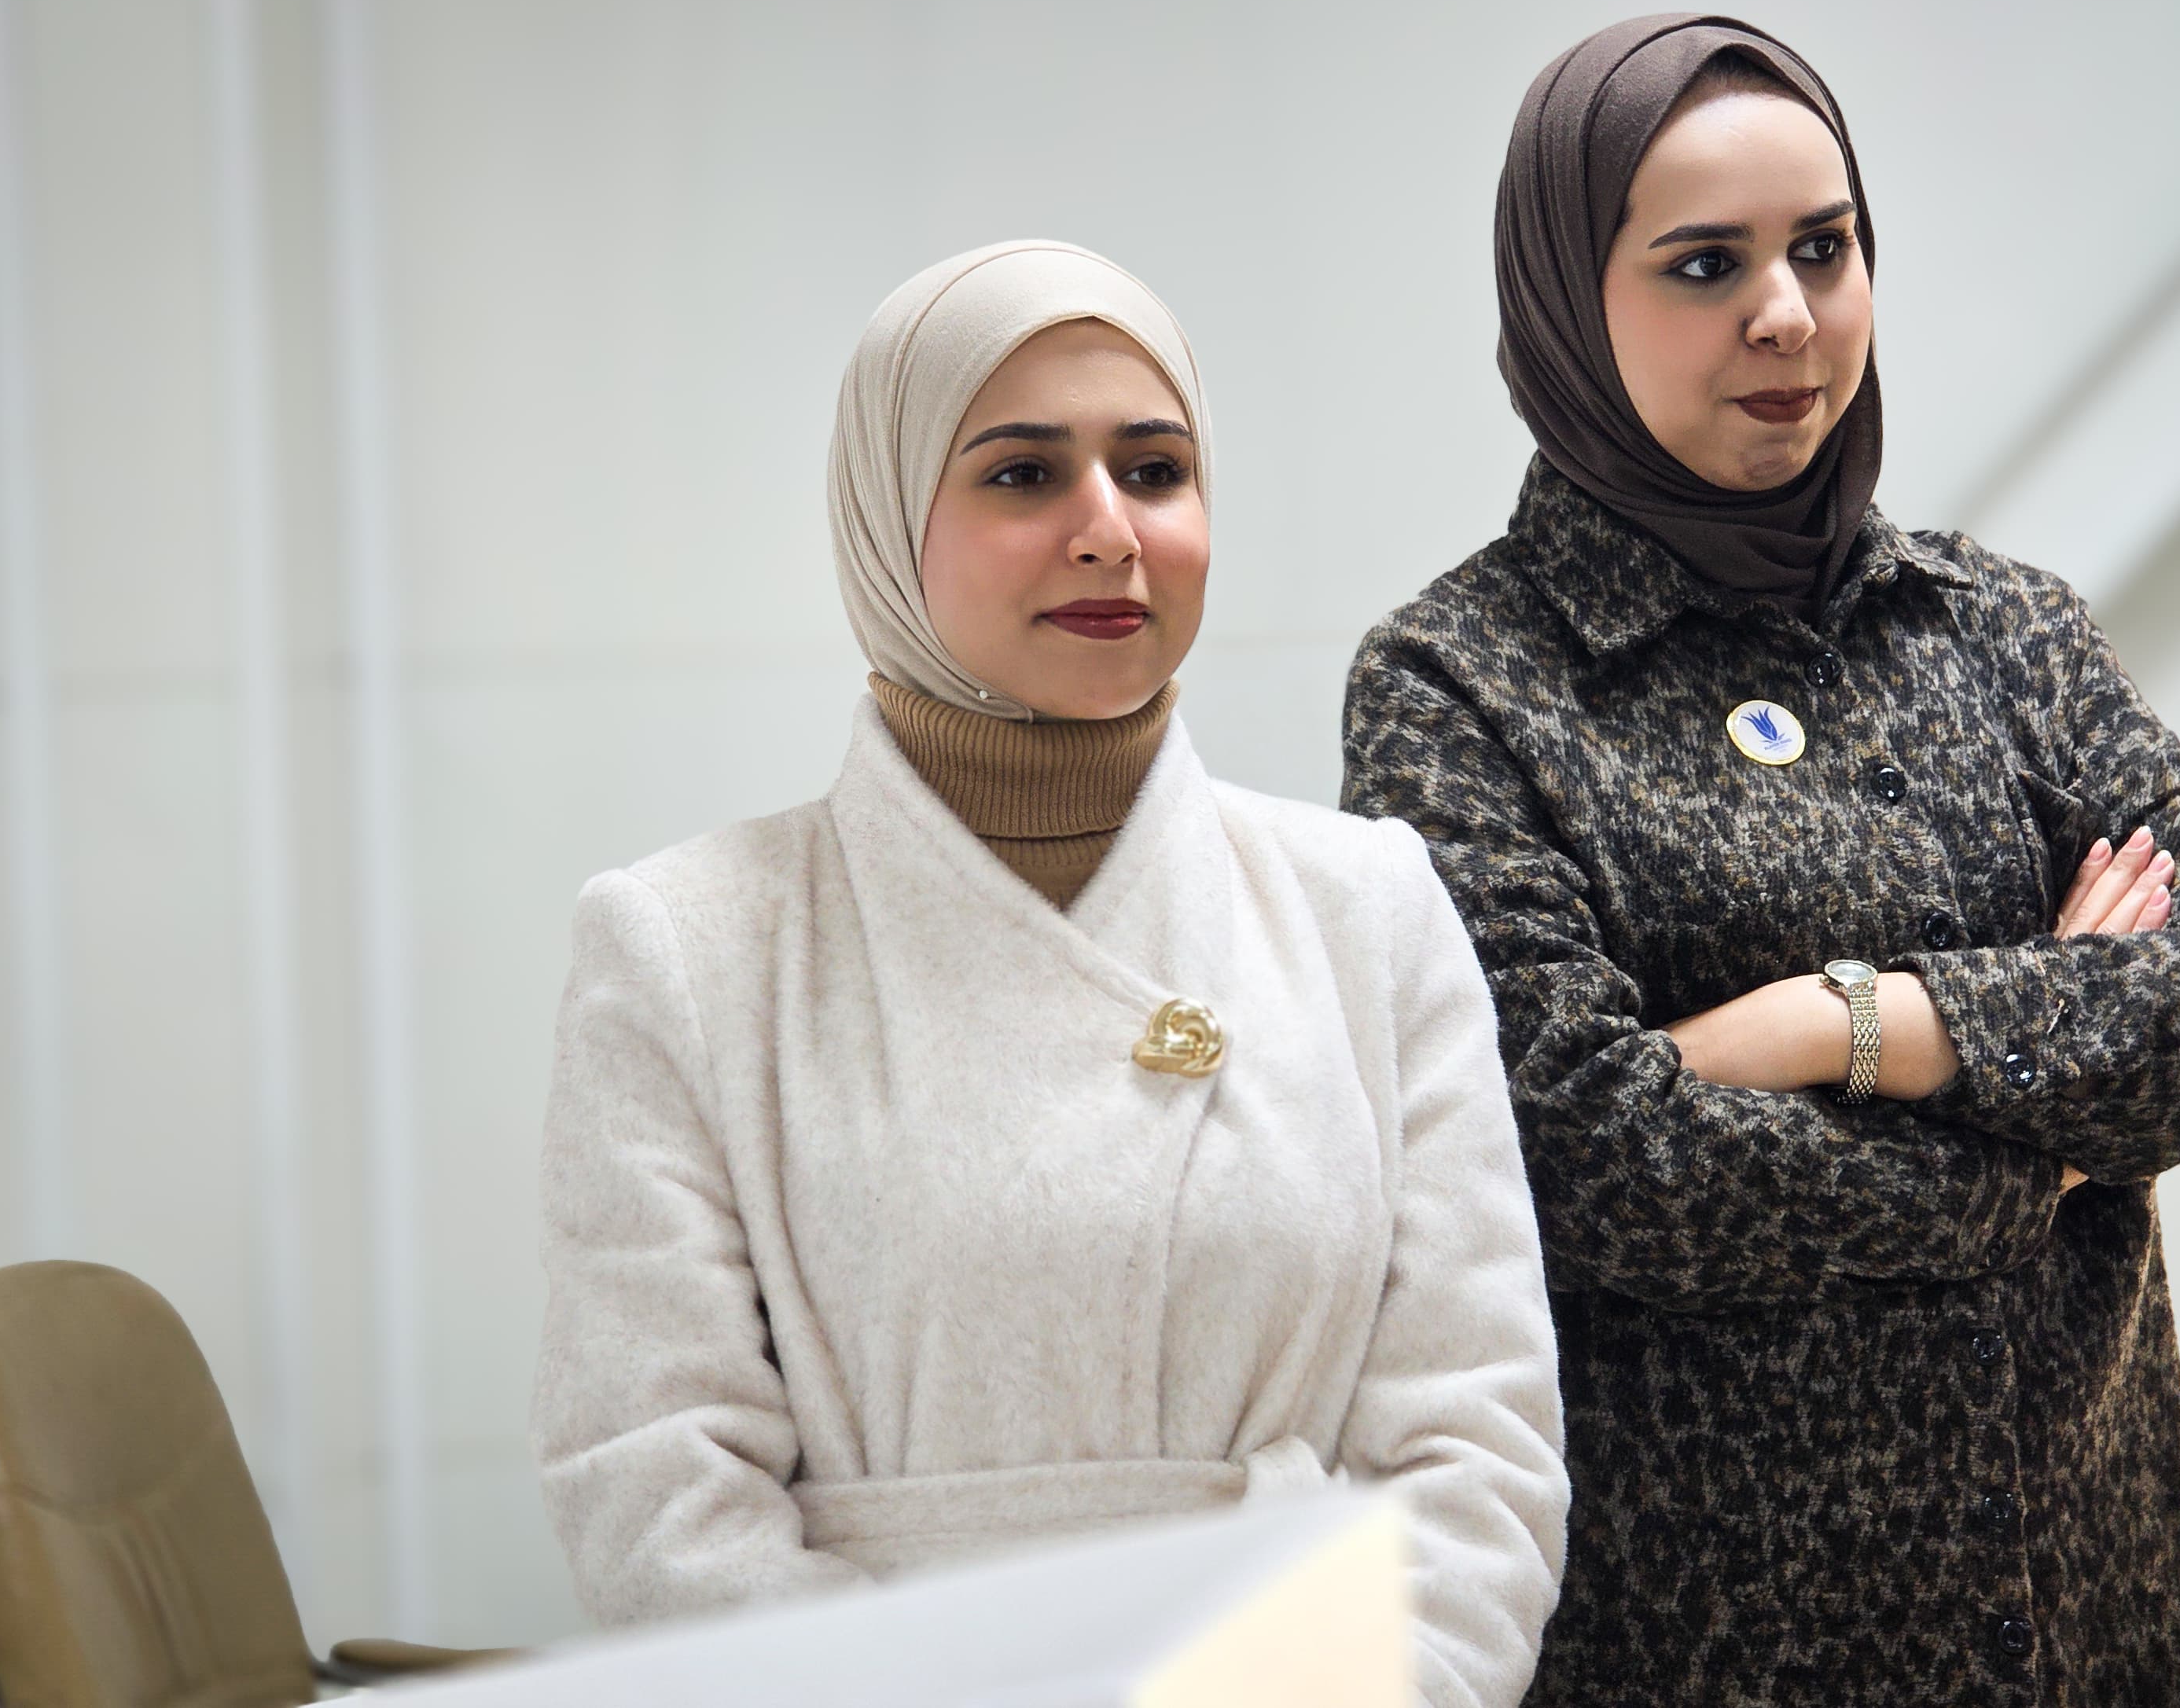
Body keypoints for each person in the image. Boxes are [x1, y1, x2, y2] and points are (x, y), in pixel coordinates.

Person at [1342, 16, 2180, 1705]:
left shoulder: (1997, 625)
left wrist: (1835, 1024)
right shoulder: (1461, 684)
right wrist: (2044, 1152)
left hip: (2092, 1635)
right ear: (1568, 301)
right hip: (1702, 1651)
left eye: (1823, 247)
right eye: (1703, 265)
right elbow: (1580, 1156)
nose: (1787, 315)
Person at [533, 241, 1565, 1706]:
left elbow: (1481, 1446)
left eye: (1155, 471)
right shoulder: (687, 945)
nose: (1107, 530)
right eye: (1023, 475)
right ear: (889, 521)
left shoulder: (1366, 907)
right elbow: (652, 1485)